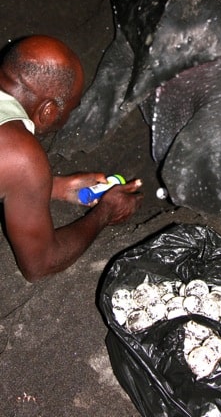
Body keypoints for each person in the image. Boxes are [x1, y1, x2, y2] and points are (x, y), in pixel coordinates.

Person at [0, 35, 143, 282]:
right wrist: (106, 212)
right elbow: (39, 264)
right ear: (48, 111)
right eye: (72, 108)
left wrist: (55, 186)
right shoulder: (20, 154)